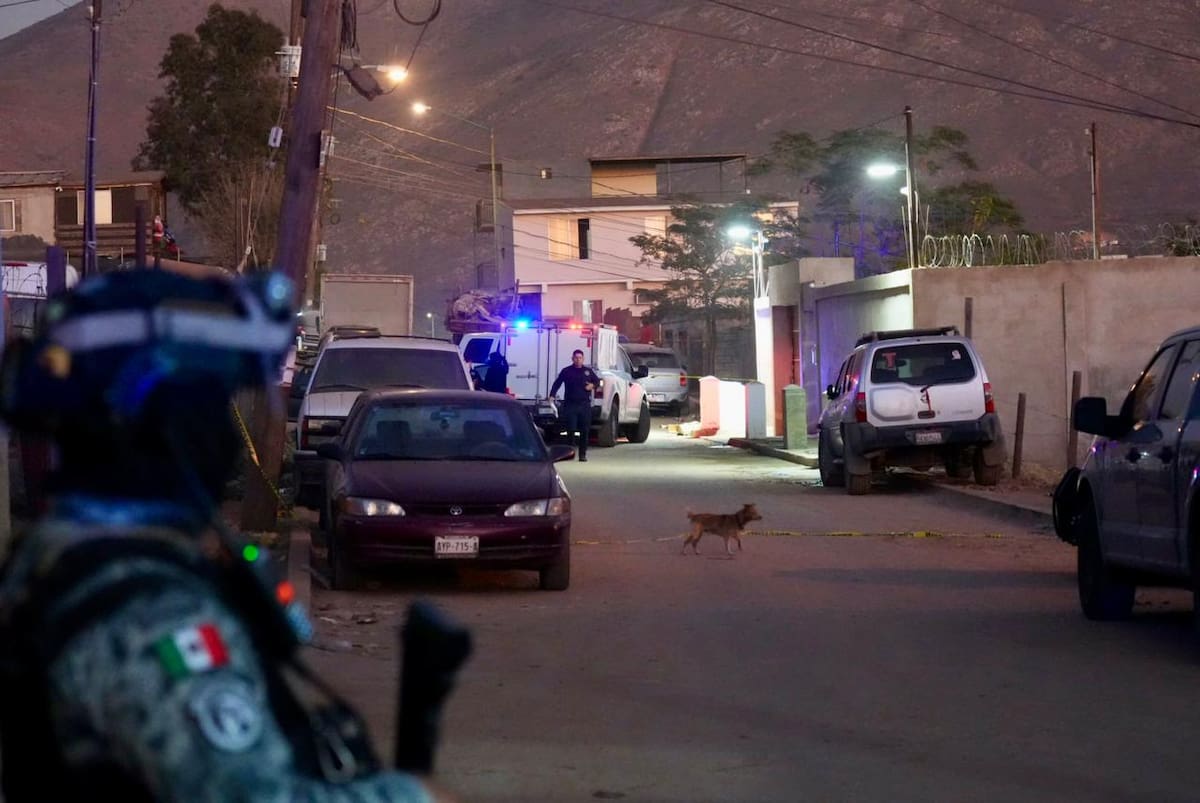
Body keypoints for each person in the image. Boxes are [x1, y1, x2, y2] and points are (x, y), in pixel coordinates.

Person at [0, 269, 448, 802]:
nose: (225, 436)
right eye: (213, 404)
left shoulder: (58, 553)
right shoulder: (151, 614)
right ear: (165, 421)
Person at [549, 349, 600, 462]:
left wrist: (592, 385)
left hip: (584, 405)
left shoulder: (587, 371)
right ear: (572, 359)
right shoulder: (567, 371)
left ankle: (582, 455)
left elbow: (598, 382)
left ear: (583, 359)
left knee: (584, 430)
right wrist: (552, 395)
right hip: (570, 404)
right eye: (576, 358)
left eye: (580, 358)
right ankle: (570, 452)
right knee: (570, 429)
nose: (578, 360)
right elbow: (557, 383)